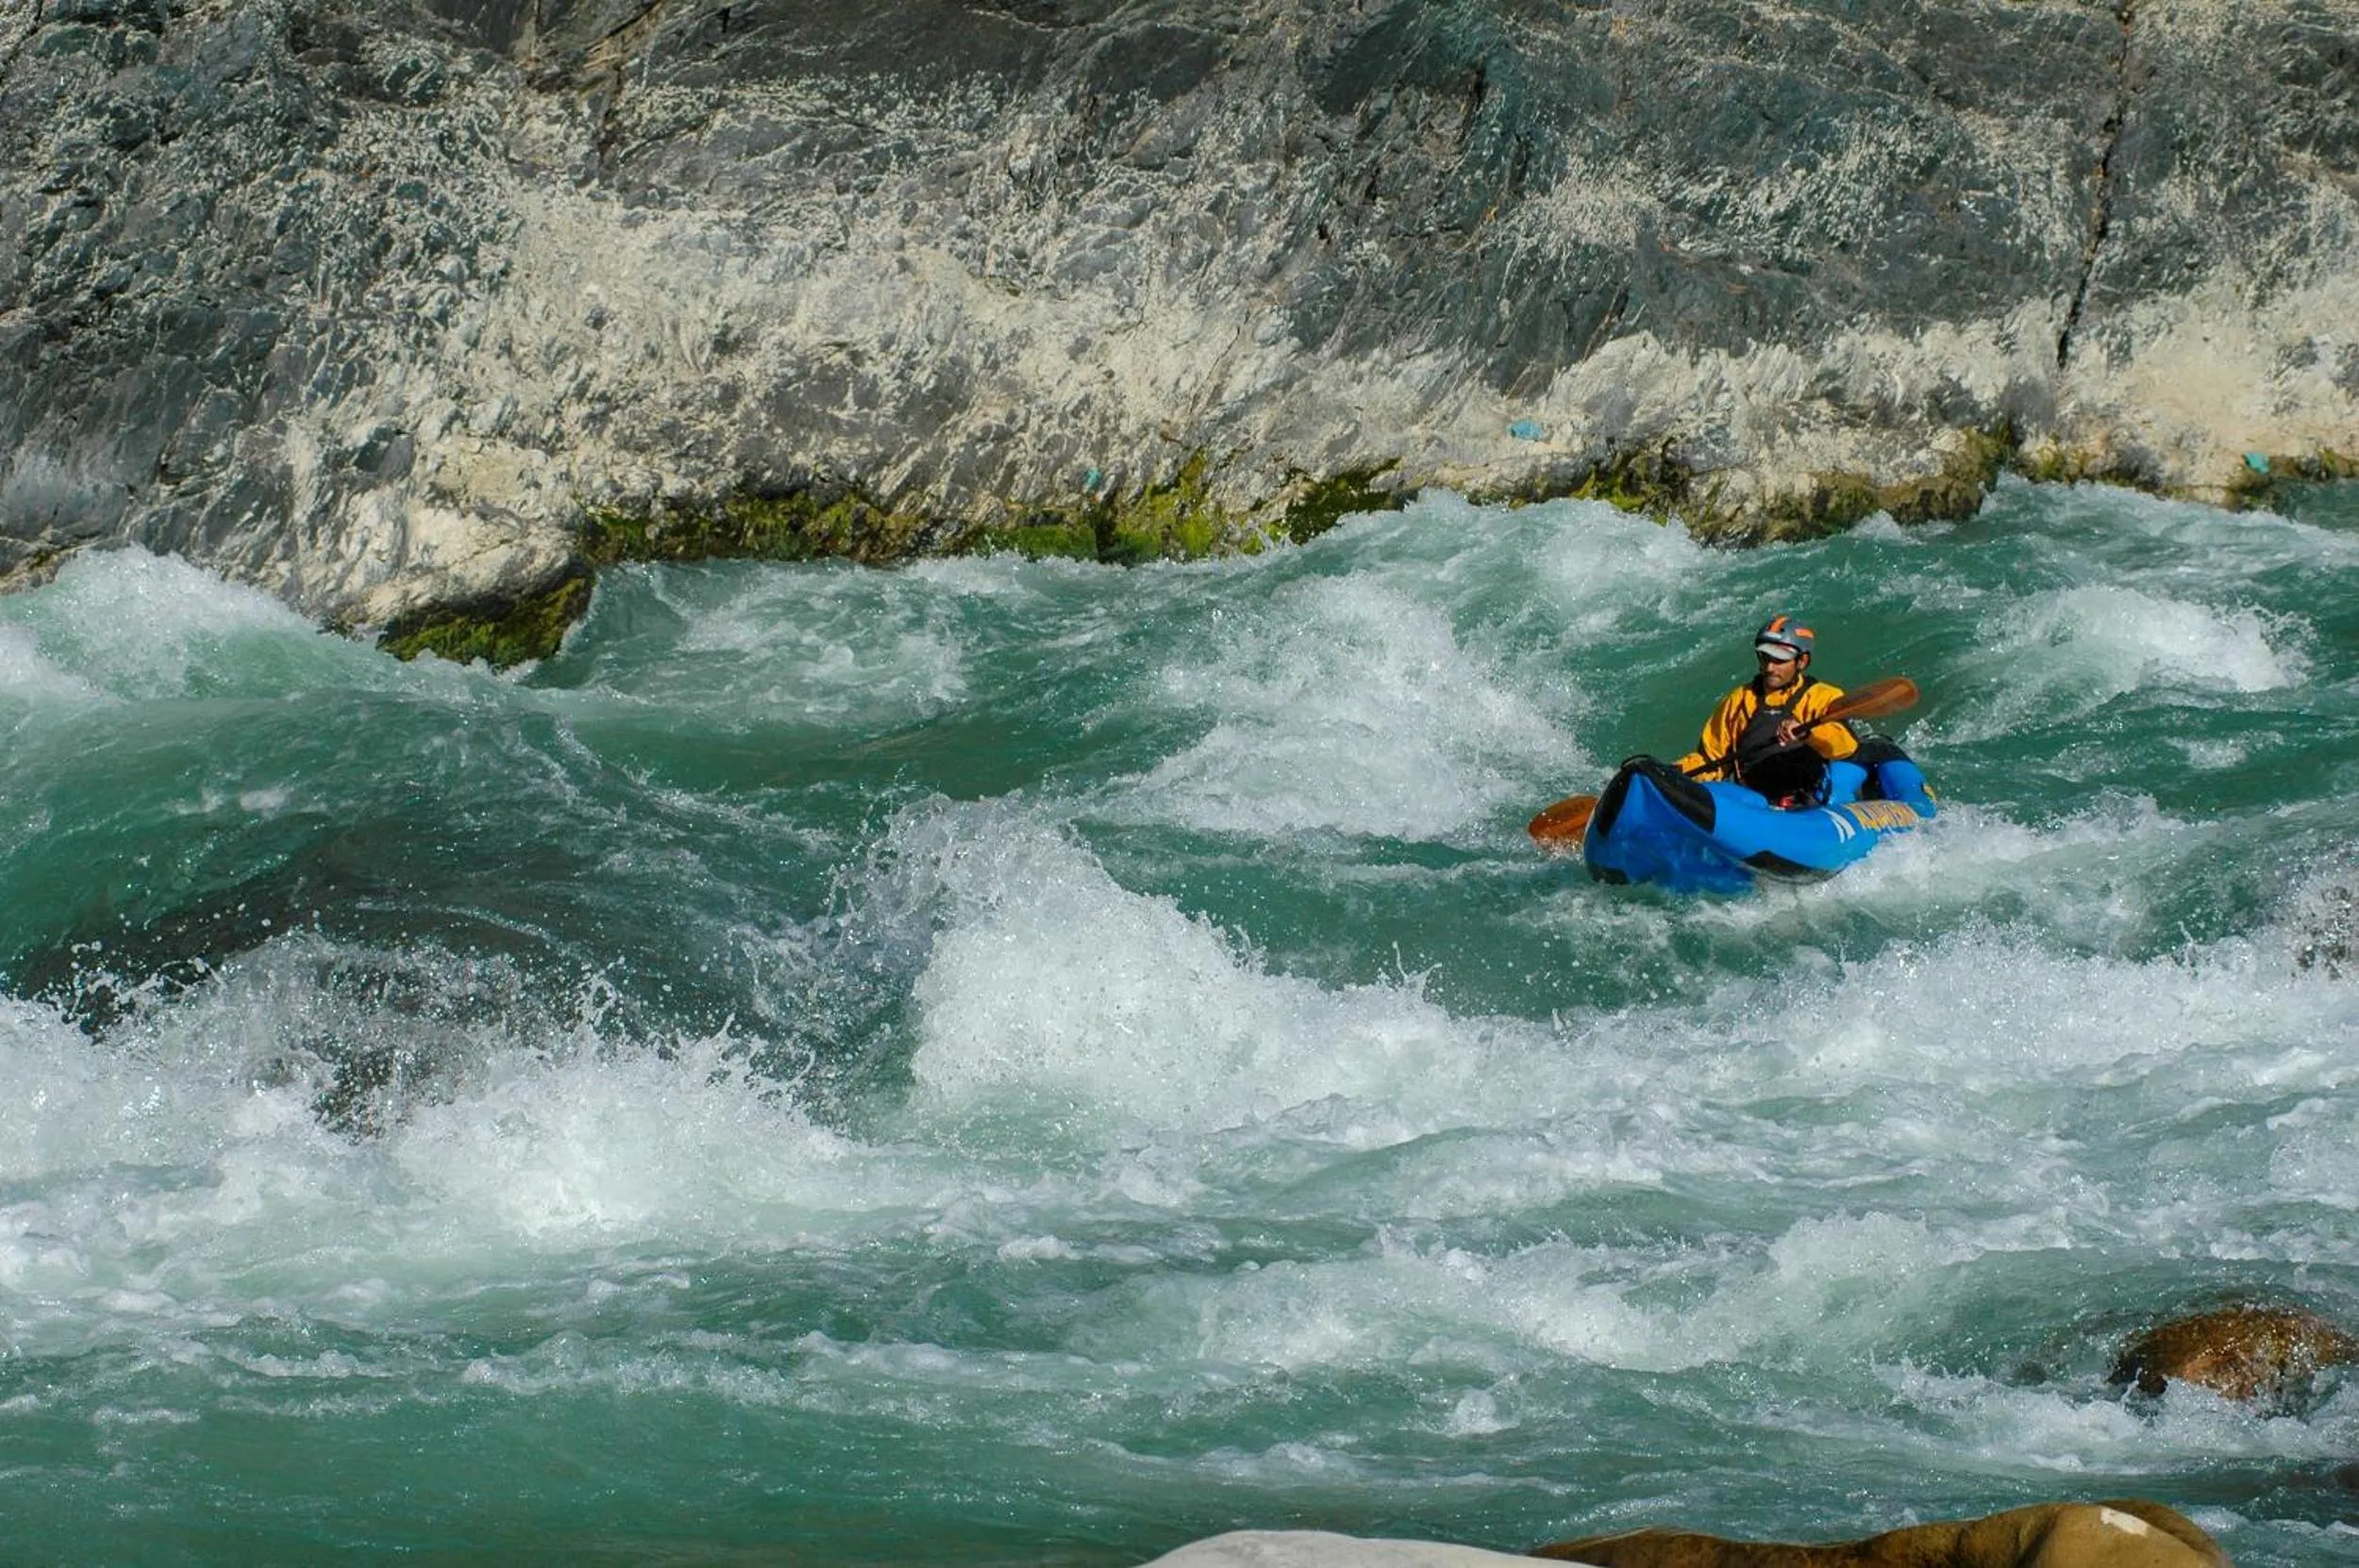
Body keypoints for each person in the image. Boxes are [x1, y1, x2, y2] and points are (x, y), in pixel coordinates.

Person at [1672, 615, 1866, 807]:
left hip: (1807, 802)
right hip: (1756, 803)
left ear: (1802, 661)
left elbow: (1846, 746)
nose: (1770, 667)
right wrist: (1674, 772)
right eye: (1765, 658)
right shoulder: (1739, 700)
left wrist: (1807, 733)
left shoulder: (1822, 696)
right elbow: (1711, 759)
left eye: (1780, 660)